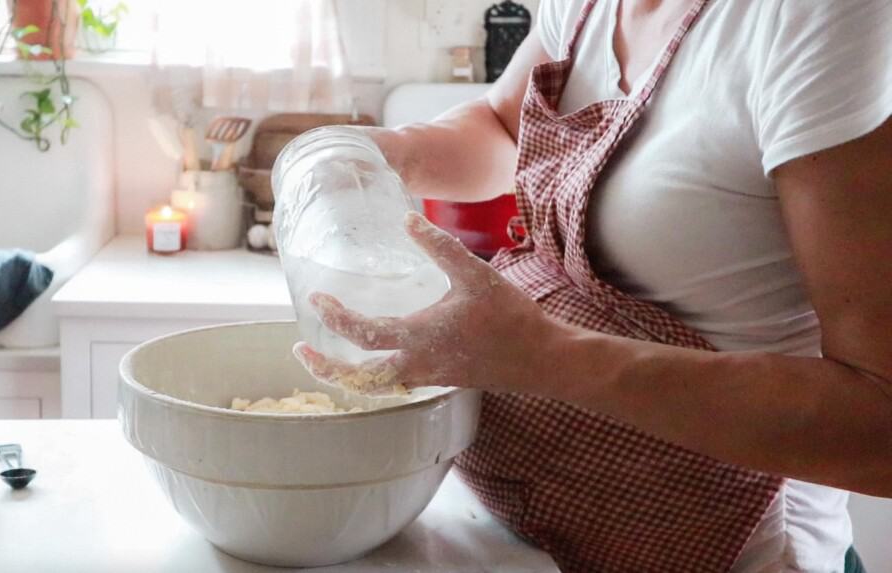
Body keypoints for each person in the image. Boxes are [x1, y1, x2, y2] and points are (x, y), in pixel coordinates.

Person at [293, 0, 892, 571]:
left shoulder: (820, 19)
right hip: (546, 542)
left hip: (739, 553)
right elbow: (504, 127)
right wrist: (390, 155)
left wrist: (541, 355)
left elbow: (879, 423)